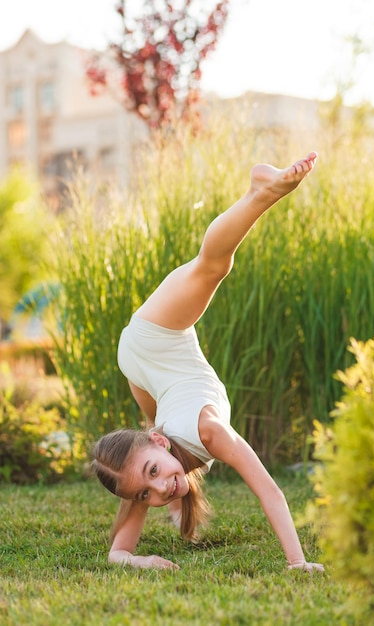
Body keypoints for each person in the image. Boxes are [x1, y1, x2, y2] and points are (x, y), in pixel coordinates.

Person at [92, 151, 324, 573]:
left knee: (211, 267)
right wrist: (140, 560)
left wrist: (297, 562)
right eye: (147, 493)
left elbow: (268, 489)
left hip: (153, 338)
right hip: (144, 374)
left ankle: (262, 191)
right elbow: (118, 552)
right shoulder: (142, 466)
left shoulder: (210, 432)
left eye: (153, 473)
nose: (161, 487)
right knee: (155, 430)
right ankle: (258, 190)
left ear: (158, 444)